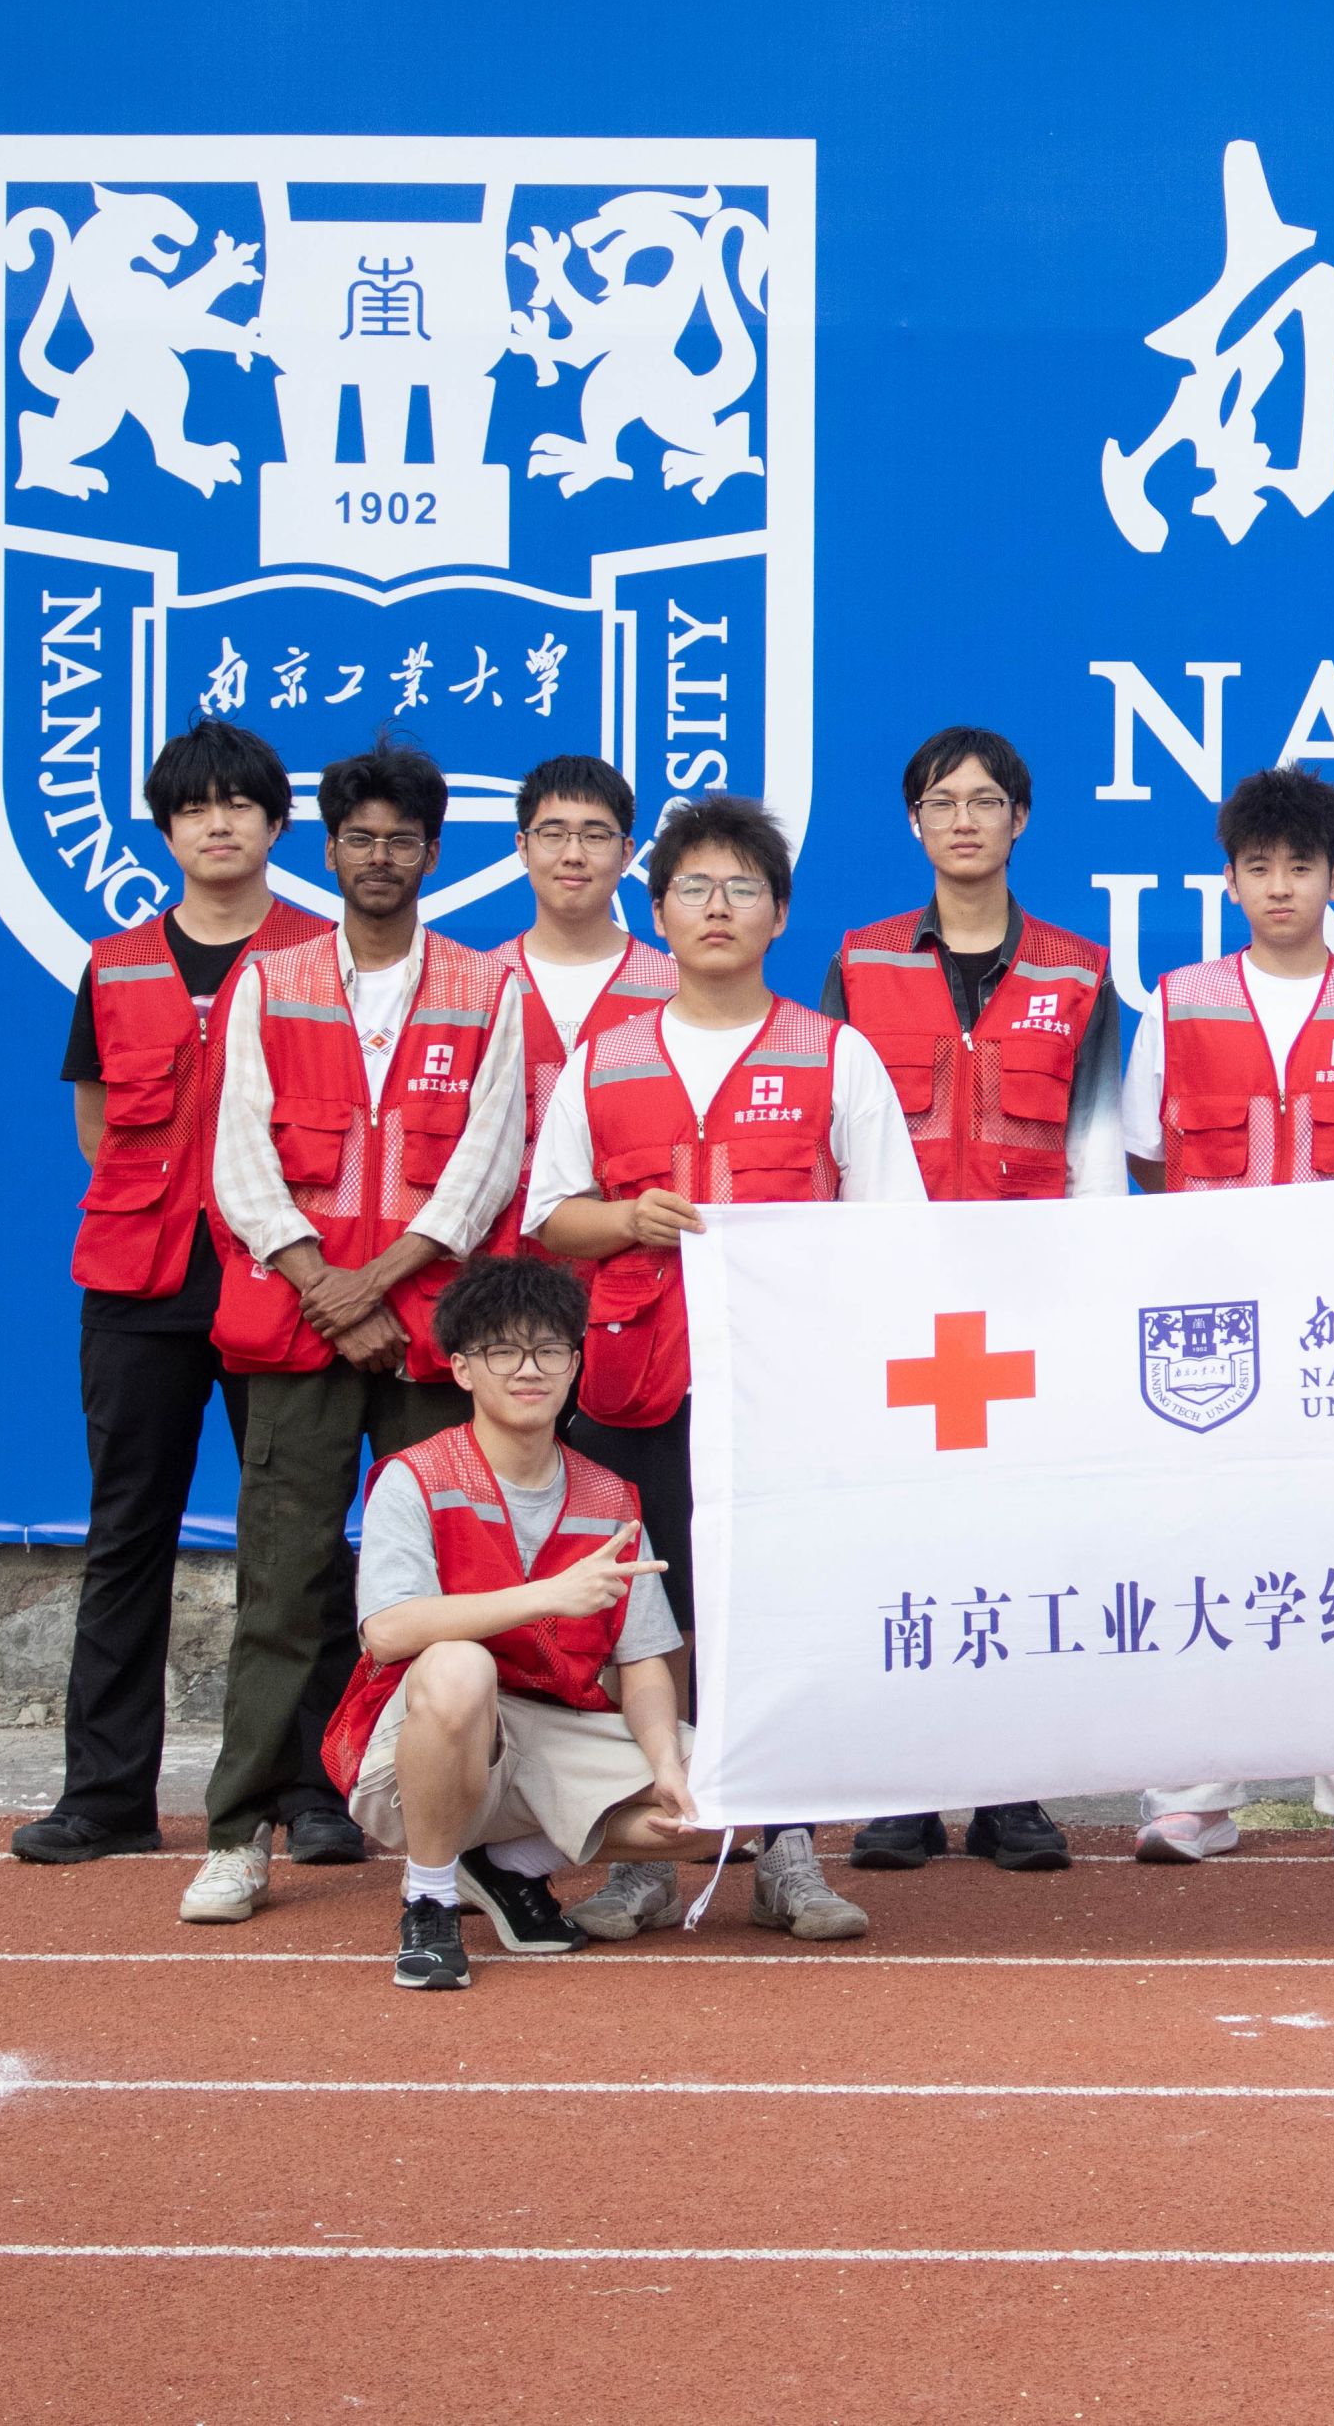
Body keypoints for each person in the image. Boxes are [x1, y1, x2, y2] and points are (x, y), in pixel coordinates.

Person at [529, 789, 928, 1942]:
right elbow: (549, 1212)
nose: (716, 906)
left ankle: (787, 1852)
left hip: (779, 1391)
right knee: (644, 1622)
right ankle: (650, 1855)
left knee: (775, 1616)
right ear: (656, 912)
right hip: (632, 1387)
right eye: (693, 887)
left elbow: (890, 1226)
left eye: (741, 887)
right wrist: (627, 1220)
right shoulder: (604, 1059)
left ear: (779, 914)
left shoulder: (832, 1053)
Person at [193, 739, 533, 1926]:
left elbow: (486, 1165)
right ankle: (239, 1835)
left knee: (458, 1587)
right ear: (327, 850)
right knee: (281, 1587)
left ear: (432, 853)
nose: (379, 856)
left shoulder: (484, 989)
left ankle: (468, 1838)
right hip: (300, 1332)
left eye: (401, 840)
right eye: (359, 838)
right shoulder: (270, 981)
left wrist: (378, 1286)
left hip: (429, 1337)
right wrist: (325, 1287)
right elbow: (239, 1157)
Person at [1121, 764, 1334, 1865]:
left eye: (1301, 866)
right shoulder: (1176, 1003)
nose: (1280, 886)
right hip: (1208, 1335)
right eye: (1258, 866)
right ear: (1228, 880)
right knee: (1202, 1551)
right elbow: (1146, 1161)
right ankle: (1191, 1793)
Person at [13, 721, 328, 1869]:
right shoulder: (114, 965)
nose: (217, 822)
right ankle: (105, 1797)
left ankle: (310, 1793)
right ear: (164, 829)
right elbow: (97, 1129)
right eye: (193, 806)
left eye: (239, 803)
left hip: (276, 1279)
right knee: (127, 1536)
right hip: (138, 1286)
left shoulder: (319, 961)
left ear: (277, 822)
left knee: (292, 1542)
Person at [825, 723, 1124, 1877]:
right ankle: (901, 1788)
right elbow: (835, 1140)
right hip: (900, 1310)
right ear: (914, 823)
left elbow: (1097, 1148)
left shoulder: (1078, 971)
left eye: (986, 799)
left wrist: (1085, 1297)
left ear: (1019, 820)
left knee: (1022, 1542)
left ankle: (1012, 1787)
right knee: (899, 1542)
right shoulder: (860, 964)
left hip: (1028, 1312)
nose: (964, 818)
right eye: (942, 800)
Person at [323, 1251, 726, 1992]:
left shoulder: (611, 1497)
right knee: (459, 1664)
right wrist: (546, 1595)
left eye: (549, 1350)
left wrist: (666, 1760)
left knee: (730, 1791)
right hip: (419, 1745)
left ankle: (506, 1862)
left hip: (547, 1736)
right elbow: (388, 1630)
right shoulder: (416, 1477)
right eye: (502, 1351)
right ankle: (430, 1899)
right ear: (462, 1369)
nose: (529, 1369)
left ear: (575, 1364)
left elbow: (642, 1662)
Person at [482, 754, 676, 1252]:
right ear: (522, 847)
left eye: (594, 835)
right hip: (496, 1270)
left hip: (630, 1267)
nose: (573, 854)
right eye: (553, 834)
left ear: (627, 852)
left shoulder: (674, 987)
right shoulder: (478, 985)